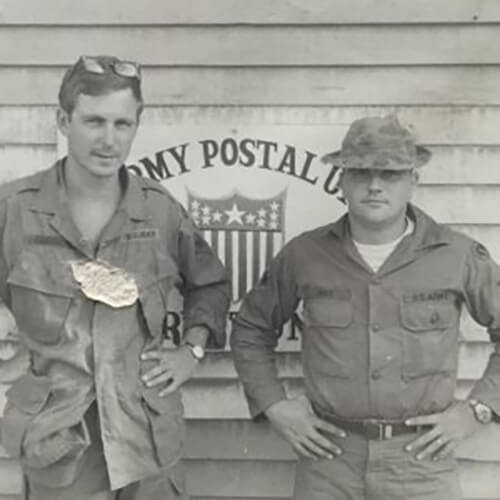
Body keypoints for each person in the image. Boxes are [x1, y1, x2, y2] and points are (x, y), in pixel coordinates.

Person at [230, 114, 500, 500]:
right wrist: (274, 404)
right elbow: (251, 328)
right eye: (360, 173)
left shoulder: (457, 255)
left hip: (421, 461)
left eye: (389, 175)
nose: (374, 186)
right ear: (341, 181)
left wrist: (478, 410)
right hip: (329, 460)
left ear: (413, 181)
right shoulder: (305, 255)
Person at [0, 55, 230, 500]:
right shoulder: (14, 210)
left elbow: (211, 284)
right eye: (94, 121)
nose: (109, 140)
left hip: (147, 435)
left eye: (122, 124)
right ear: (63, 121)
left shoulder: (159, 210)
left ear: (136, 125)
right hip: (60, 440)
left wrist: (192, 350)